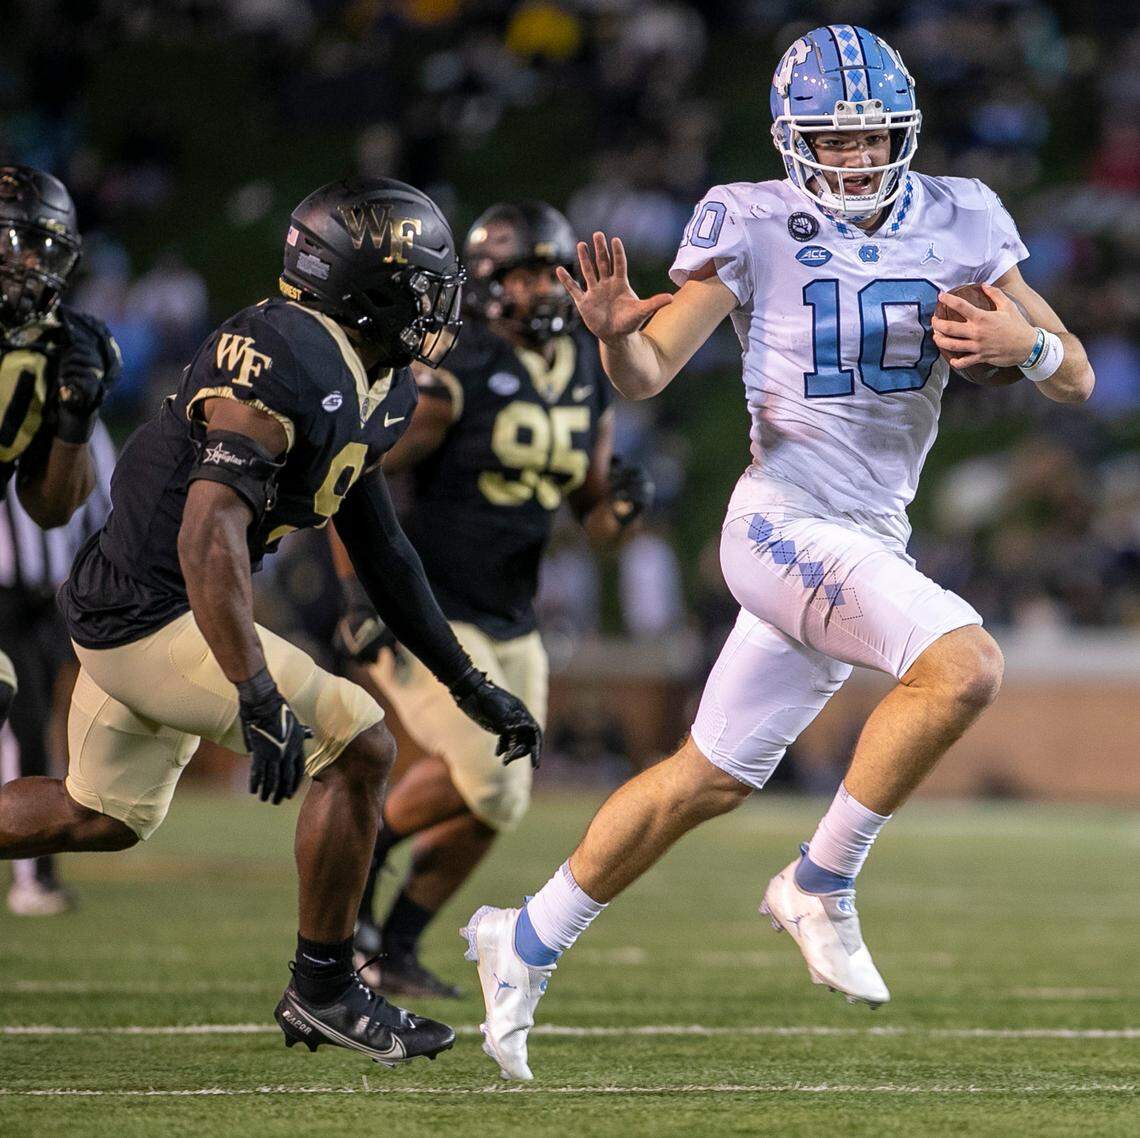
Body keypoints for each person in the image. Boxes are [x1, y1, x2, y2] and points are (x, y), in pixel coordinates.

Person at [462, 25, 1095, 1081]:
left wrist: (1021, 347)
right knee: (965, 663)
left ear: (905, 133)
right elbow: (651, 369)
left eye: (869, 136)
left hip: (865, 530)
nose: (851, 157)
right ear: (791, 140)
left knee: (704, 780)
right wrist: (618, 331)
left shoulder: (966, 212)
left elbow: (1071, 372)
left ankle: (520, 936)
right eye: (830, 139)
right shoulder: (750, 215)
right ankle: (822, 880)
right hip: (780, 518)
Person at [0, 176, 542, 1067]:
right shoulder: (279, 352)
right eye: (420, 282)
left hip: (150, 602)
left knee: (101, 815)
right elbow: (206, 530)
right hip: (152, 607)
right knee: (360, 742)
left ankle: (326, 984)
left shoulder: (383, 381)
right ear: (362, 283)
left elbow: (383, 551)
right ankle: (325, 987)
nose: (437, 302)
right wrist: (255, 688)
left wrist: (467, 682)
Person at [333, 200, 653, 999]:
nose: (547, 289)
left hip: (514, 612)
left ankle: (393, 943)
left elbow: (595, 522)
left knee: (501, 798)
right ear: (483, 284)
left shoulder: (585, 368)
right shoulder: (452, 373)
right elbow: (350, 474)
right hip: (427, 610)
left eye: (554, 271)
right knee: (483, 770)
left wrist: (622, 506)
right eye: (527, 274)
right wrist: (353, 591)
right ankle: (353, 872)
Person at [0, 163, 120, 904]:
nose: (34, 265)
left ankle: (34, 877)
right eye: (20, 245)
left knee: (20, 705)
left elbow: (51, 507)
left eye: (47, 248)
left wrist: (73, 420)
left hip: (31, 583)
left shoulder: (52, 347)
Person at [1, 420, 115, 915]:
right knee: (21, 727)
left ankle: (36, 874)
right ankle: (32, 877)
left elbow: (109, 506)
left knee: (41, 727)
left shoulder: (83, 416)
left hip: (52, 599)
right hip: (2, 598)